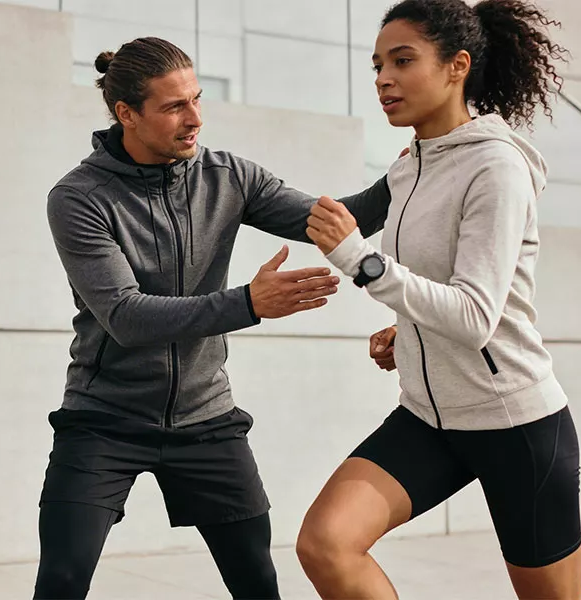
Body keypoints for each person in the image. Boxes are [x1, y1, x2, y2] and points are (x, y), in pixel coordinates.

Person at [37, 37, 392, 599]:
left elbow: (334, 222)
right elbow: (126, 317)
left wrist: (426, 155)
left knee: (257, 581)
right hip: (104, 419)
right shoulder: (81, 197)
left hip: (207, 420)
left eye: (197, 99)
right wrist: (248, 303)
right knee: (60, 579)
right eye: (174, 106)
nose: (195, 118)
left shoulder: (229, 177)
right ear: (126, 113)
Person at [297, 1, 581, 599]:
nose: (383, 78)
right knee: (326, 543)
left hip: (515, 425)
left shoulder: (496, 168)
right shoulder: (408, 168)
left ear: (457, 67)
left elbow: (476, 316)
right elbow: (436, 285)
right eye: (377, 64)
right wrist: (411, 332)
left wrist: (360, 260)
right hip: (429, 418)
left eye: (403, 61)